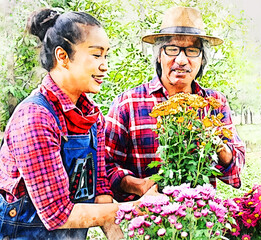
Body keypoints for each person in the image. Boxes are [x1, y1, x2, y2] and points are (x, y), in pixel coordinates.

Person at [0, 8, 130, 239]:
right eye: (96, 55)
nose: (105, 66)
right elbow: (57, 215)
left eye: (106, 55)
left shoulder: (92, 116)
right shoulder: (35, 118)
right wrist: (136, 208)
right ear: (62, 57)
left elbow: (99, 187)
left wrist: (117, 235)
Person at [105, 6, 245, 202]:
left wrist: (216, 142)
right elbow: (105, 166)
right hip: (147, 220)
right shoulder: (127, 103)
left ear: (202, 58)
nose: (181, 59)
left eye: (192, 50)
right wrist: (141, 186)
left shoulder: (215, 104)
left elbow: (235, 171)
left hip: (199, 219)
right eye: (172, 49)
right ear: (158, 55)